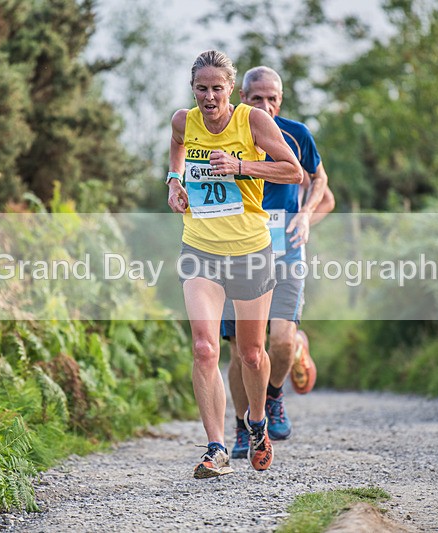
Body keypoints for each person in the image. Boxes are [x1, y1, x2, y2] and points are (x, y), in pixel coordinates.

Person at [166, 51, 303, 478]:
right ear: (193, 89)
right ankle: (216, 448)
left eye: (216, 89)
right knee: (205, 347)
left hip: (250, 249)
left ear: (230, 89)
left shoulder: (252, 121)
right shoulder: (182, 121)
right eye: (201, 89)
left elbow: (293, 171)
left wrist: (241, 166)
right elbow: (176, 149)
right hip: (200, 248)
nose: (209, 96)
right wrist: (174, 182)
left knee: (251, 352)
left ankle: (257, 423)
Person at [221, 66, 335, 459]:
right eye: (257, 99)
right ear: (243, 98)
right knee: (240, 349)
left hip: (285, 253)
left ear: (281, 100)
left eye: (273, 99)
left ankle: (271, 396)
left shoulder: (296, 134)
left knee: (281, 341)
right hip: (237, 253)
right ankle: (240, 428)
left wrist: (305, 216)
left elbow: (320, 182)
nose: (266, 106)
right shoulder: (228, 134)